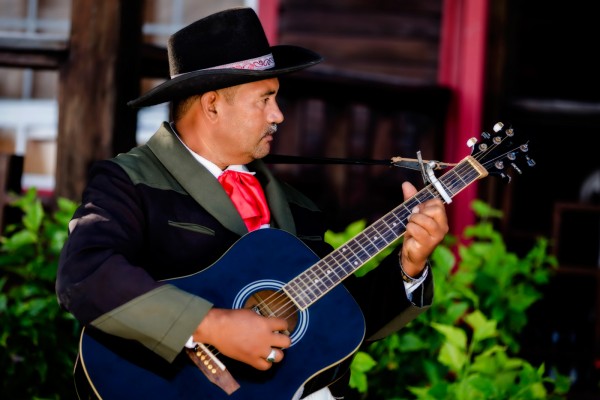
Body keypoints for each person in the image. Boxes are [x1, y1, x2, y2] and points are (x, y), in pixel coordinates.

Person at [56, 7, 448, 400]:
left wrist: (409, 266)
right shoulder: (130, 181)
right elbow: (85, 273)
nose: (278, 115)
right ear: (212, 105)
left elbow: (341, 319)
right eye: (265, 99)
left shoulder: (298, 208)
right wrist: (211, 326)